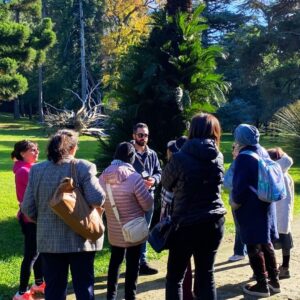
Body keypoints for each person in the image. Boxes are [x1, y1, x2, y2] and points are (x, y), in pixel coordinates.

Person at [21, 129, 105, 300]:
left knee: (54, 290)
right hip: (81, 239)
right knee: (84, 287)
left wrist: (45, 219)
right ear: (73, 148)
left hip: (49, 241)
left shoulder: (36, 170)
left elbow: (28, 208)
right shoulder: (84, 167)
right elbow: (97, 198)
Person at [162, 113, 226, 300]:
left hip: (186, 222)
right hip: (213, 220)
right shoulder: (218, 156)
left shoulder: (180, 157)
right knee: (206, 274)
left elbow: (166, 183)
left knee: (175, 277)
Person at [99, 142, 154, 300]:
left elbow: (99, 200)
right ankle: (130, 296)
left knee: (115, 261)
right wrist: (147, 191)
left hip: (114, 228)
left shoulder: (103, 177)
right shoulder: (134, 177)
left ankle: (111, 296)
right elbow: (147, 204)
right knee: (132, 264)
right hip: (134, 228)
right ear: (131, 157)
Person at [231, 124, 280, 298]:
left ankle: (261, 284)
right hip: (266, 205)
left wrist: (235, 202)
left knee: (253, 246)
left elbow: (241, 186)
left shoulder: (244, 157)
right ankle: (274, 282)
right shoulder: (262, 151)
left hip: (251, 208)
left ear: (241, 137)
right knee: (266, 243)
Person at [12, 141, 45, 300]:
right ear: (23, 153)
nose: (37, 152)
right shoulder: (24, 171)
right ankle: (21, 293)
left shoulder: (29, 169)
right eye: (33, 150)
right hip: (30, 218)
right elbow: (33, 197)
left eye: (37, 149)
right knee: (31, 254)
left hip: (33, 217)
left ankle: (39, 283)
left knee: (37, 253)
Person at [161, 136, 193, 300]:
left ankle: (187, 294)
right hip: (197, 220)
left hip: (178, 222)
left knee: (178, 270)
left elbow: (166, 198)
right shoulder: (196, 164)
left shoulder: (174, 168)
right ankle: (189, 294)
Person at [131, 123, 162, 275]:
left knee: (144, 230)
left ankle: (142, 262)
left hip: (148, 196)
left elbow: (158, 172)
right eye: (140, 135)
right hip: (131, 198)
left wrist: (154, 180)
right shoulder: (127, 152)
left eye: (146, 135)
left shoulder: (152, 154)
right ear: (134, 136)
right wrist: (137, 181)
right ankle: (131, 262)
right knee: (131, 230)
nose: (144, 138)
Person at [267, 147, 294, 279]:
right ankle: (285, 268)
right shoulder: (286, 174)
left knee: (268, 244)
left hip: (276, 214)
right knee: (286, 244)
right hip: (284, 214)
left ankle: (270, 270)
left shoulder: (276, 174)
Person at [224, 143, 247, 262]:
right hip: (246, 200)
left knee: (240, 226)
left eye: (235, 149)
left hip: (237, 200)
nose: (232, 152)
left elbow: (227, 183)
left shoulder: (238, 163)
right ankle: (245, 250)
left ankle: (239, 252)